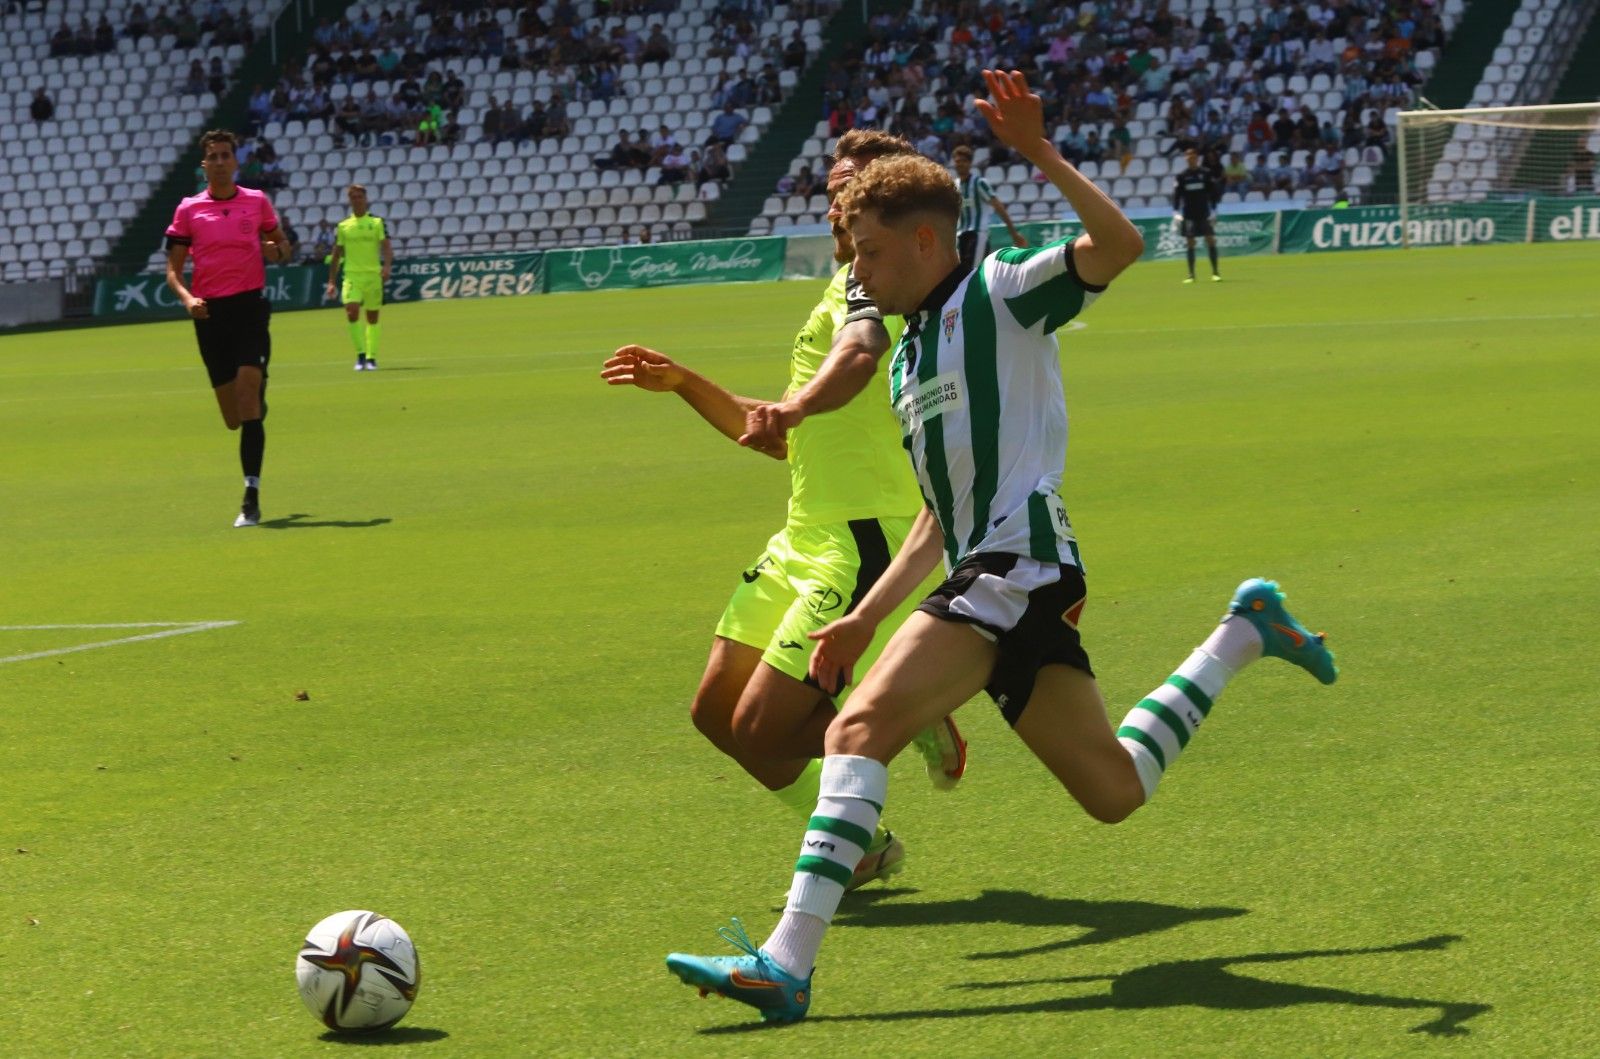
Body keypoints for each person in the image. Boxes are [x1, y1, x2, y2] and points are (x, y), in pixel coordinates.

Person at [664, 68, 1338, 1025]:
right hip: (1008, 574)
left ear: (928, 240)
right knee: (1114, 790)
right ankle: (1242, 632)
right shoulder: (905, 357)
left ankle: (786, 963)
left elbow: (1121, 244)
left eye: (871, 252)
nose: (858, 269)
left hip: (1015, 569)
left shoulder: (1003, 294)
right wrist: (864, 613)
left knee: (857, 732)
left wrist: (1040, 151)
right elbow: (940, 516)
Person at [602, 129, 969, 897]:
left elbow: (859, 356)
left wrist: (795, 405)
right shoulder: (837, 291)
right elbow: (771, 434)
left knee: (763, 730)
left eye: (853, 185)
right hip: (803, 532)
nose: (837, 198)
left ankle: (908, 708)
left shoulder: (878, 292)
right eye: (832, 185)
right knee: (714, 712)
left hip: (861, 533)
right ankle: (863, 842)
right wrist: (685, 383)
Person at [164, 129, 292, 528]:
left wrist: (277, 251)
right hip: (210, 315)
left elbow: (283, 248)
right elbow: (173, 269)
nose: (219, 162)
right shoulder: (188, 209)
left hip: (250, 308)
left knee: (248, 397)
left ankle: (250, 498)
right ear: (204, 166)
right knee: (233, 417)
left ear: (236, 162)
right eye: (213, 157)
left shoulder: (256, 202)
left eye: (225, 156)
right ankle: (253, 400)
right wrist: (188, 300)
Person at [324, 184, 393, 371]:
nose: (357, 200)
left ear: (366, 199)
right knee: (352, 311)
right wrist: (331, 281)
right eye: (353, 197)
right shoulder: (344, 226)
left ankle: (371, 358)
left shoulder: (377, 223)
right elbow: (337, 254)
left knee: (372, 318)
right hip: (352, 277)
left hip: (373, 276)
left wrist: (387, 267)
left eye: (359, 196)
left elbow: (386, 247)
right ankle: (361, 355)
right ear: (350, 201)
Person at [950, 144, 1025, 271]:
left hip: (978, 234)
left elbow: (998, 207)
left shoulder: (979, 183)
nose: (959, 164)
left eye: (963, 161)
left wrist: (1014, 233)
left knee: (972, 273)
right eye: (957, 161)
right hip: (961, 235)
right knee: (961, 274)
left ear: (970, 163)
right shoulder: (955, 185)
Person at [1173, 148, 1222, 283]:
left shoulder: (1205, 173)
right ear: (1185, 159)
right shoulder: (1182, 176)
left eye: (1193, 156)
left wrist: (1214, 211)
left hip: (1204, 213)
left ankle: (1215, 273)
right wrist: (1175, 212)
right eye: (1188, 157)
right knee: (1190, 243)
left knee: (1210, 240)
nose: (1191, 159)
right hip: (1188, 214)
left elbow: (1213, 193)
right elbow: (1177, 196)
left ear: (1197, 158)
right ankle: (1191, 275)